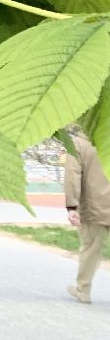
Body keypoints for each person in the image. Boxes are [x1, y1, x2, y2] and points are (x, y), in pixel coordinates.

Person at [64, 129, 109, 304]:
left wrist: (72, 206)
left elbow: (72, 177)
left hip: (94, 207)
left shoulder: (78, 144)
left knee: (91, 249)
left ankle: (83, 290)